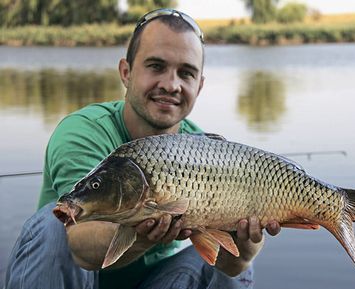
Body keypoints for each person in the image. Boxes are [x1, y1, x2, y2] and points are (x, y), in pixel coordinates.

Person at [5, 8, 281, 289]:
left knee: (233, 270)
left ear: (199, 86)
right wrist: (142, 233)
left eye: (186, 73)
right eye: (156, 66)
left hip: (159, 281)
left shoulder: (204, 149)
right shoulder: (83, 132)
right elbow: (78, 244)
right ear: (126, 72)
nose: (171, 85)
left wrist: (246, 248)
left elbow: (233, 265)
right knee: (55, 223)